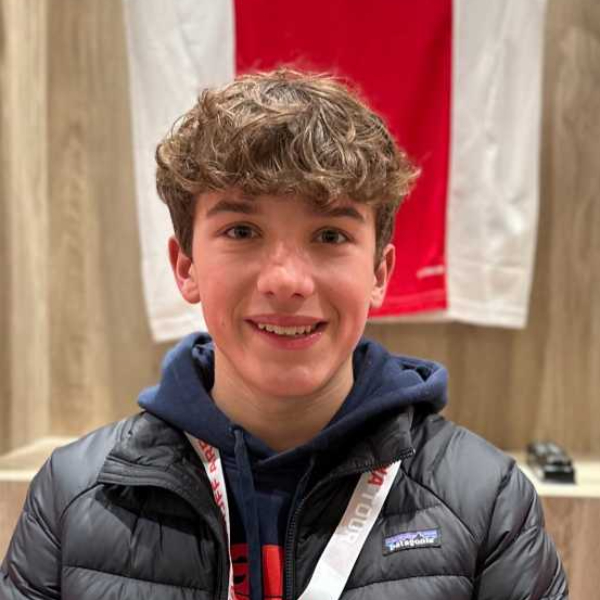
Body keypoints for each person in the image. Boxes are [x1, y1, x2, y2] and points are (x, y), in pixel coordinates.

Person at [1, 69, 567, 600]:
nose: (287, 281)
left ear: (379, 274)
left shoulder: (487, 500)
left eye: (329, 235)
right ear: (186, 266)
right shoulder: (70, 494)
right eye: (242, 231)